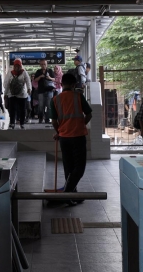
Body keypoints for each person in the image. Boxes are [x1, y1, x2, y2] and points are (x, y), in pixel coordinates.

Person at [49, 73, 92, 206]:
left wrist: (60, 132)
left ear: (61, 84)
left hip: (64, 138)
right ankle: (67, 194)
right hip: (78, 137)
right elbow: (89, 114)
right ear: (74, 85)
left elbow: (54, 122)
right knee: (79, 167)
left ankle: (72, 193)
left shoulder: (55, 99)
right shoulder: (78, 96)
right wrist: (80, 124)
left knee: (69, 167)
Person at [4, 58, 31, 129]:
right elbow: (7, 84)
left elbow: (28, 81)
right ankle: (12, 122)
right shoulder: (10, 72)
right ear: (14, 66)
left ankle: (22, 123)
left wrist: (29, 88)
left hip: (22, 94)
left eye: (18, 66)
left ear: (20, 66)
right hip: (12, 94)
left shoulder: (24, 72)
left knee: (22, 109)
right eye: (15, 66)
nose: (17, 67)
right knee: (12, 109)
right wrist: (5, 93)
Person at [34, 59, 55, 124]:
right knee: (41, 105)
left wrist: (49, 78)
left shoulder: (50, 71)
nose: (43, 65)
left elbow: (54, 79)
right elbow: (35, 80)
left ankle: (47, 119)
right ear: (40, 65)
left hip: (49, 90)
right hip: (41, 91)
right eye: (42, 64)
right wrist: (40, 76)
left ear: (47, 64)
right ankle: (40, 118)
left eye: (44, 64)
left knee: (49, 105)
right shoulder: (38, 71)